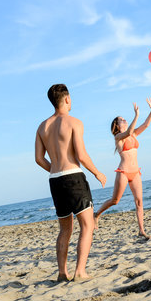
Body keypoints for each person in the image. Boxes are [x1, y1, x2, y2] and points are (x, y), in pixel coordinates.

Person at [35, 84, 107, 282]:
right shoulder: (74, 122)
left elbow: (39, 159)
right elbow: (81, 155)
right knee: (87, 225)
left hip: (55, 181)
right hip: (73, 177)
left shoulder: (42, 127)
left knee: (65, 229)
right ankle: (80, 272)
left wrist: (56, 170)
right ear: (66, 99)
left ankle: (62, 273)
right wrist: (97, 172)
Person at [94, 98, 151, 239]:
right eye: (121, 120)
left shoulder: (134, 134)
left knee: (139, 202)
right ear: (117, 124)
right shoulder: (118, 137)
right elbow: (127, 133)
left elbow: (146, 125)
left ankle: (141, 231)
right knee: (115, 200)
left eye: (124, 119)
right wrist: (136, 116)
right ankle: (96, 214)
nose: (124, 120)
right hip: (123, 172)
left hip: (135, 172)